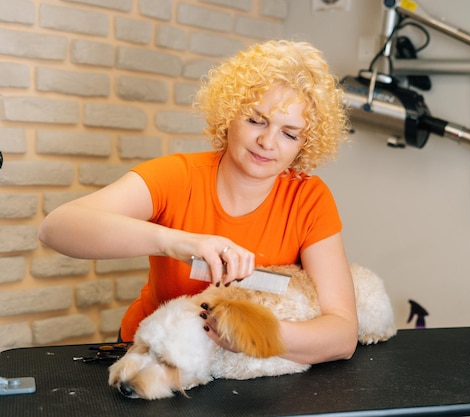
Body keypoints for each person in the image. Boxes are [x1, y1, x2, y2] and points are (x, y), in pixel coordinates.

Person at [38, 40, 357, 365]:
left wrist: (251, 334)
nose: (267, 142)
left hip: (243, 366)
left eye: (289, 134)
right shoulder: (177, 176)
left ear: (305, 144)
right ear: (229, 114)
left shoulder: (309, 198)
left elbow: (342, 335)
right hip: (154, 357)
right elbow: (57, 228)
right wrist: (175, 242)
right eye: (256, 120)